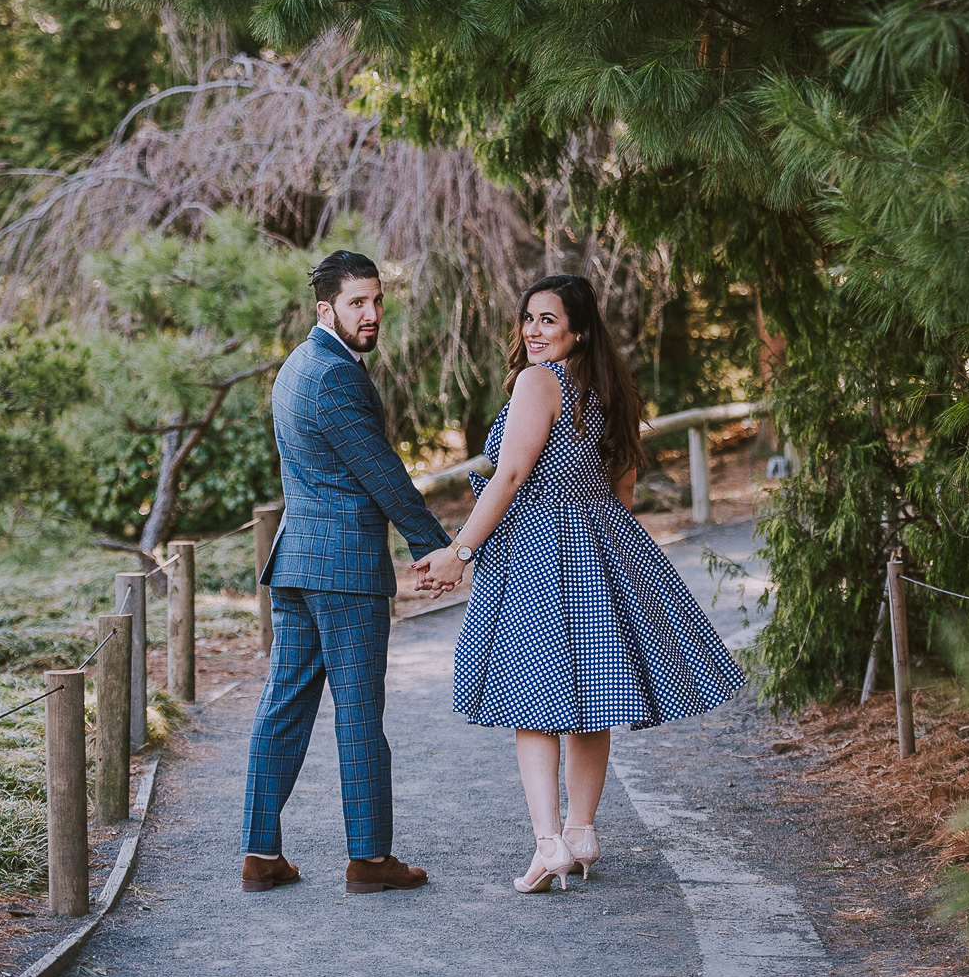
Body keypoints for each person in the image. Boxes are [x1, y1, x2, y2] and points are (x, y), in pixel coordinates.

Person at [415, 274, 745, 893]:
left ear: (578, 329)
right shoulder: (610, 390)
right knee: (588, 696)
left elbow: (510, 474)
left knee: (531, 704)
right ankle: (583, 830)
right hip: (601, 543)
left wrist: (460, 550)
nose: (533, 331)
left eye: (547, 320)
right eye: (529, 319)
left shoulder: (537, 382)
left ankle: (550, 844)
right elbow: (622, 487)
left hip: (536, 551)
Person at [241, 251, 452, 894]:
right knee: (358, 714)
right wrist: (436, 548)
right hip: (343, 573)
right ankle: (368, 858)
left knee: (285, 704)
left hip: (298, 565)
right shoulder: (332, 374)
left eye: (376, 300)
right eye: (357, 302)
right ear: (324, 308)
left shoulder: (297, 367)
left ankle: (260, 853)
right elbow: (382, 472)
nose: (371, 313)